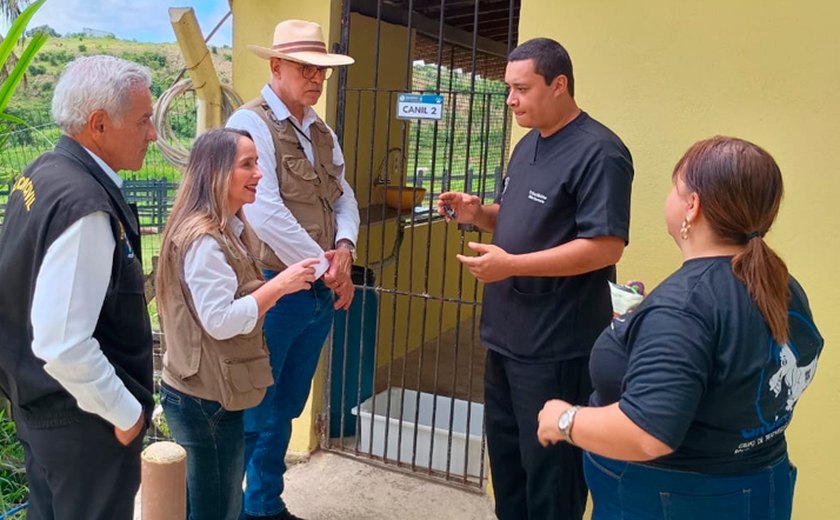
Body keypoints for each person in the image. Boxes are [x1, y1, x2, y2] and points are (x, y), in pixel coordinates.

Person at [537, 136, 824, 520]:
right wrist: (645, 329)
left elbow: (646, 433)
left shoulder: (685, 306)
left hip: (672, 499)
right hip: (759, 485)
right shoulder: (781, 285)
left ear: (692, 206)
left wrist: (564, 419)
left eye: (676, 187)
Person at [438, 38, 633, 519]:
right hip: (505, 339)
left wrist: (512, 265)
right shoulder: (528, 145)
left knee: (553, 479)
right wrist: (478, 213)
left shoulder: (601, 153)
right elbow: (522, 219)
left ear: (559, 85)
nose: (510, 100)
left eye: (521, 89)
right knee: (509, 468)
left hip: (556, 346)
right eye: (508, 88)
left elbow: (606, 245)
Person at [0, 55, 157, 520]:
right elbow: (64, 344)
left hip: (40, 410)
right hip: (85, 426)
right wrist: (126, 413)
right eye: (144, 119)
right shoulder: (84, 207)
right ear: (99, 125)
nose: (153, 133)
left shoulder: (41, 173)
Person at [225, 19, 360, 520]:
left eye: (321, 69)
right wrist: (329, 265)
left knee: (286, 407)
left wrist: (344, 248)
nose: (316, 78)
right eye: (305, 67)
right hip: (275, 289)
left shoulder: (319, 130)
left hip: (316, 290)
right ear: (275, 66)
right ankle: (238, 508)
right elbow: (263, 210)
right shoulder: (249, 122)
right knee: (258, 410)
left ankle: (265, 505)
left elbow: (344, 197)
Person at [155, 128, 319, 520]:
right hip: (205, 399)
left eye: (257, 162)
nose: (259, 173)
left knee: (203, 503)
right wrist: (280, 286)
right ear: (216, 172)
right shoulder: (206, 241)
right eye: (247, 164)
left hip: (207, 391)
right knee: (218, 509)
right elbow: (221, 321)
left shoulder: (228, 230)